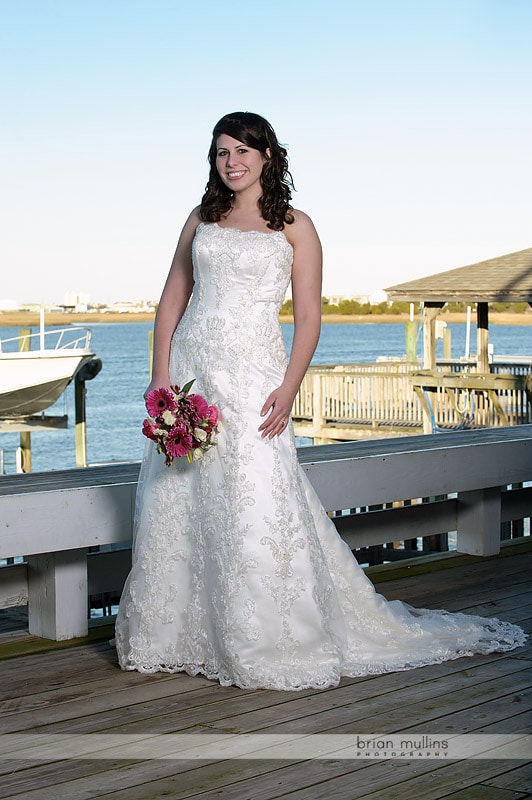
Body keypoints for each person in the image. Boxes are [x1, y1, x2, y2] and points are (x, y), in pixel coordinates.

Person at [114, 112, 525, 690]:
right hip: (191, 372)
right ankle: (179, 634)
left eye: (242, 151)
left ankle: (268, 636)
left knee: (255, 494)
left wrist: (289, 386)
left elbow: (309, 317)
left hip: (255, 375)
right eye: (220, 152)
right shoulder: (200, 218)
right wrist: (160, 379)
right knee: (181, 492)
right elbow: (171, 300)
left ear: (267, 156)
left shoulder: (295, 226)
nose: (231, 161)